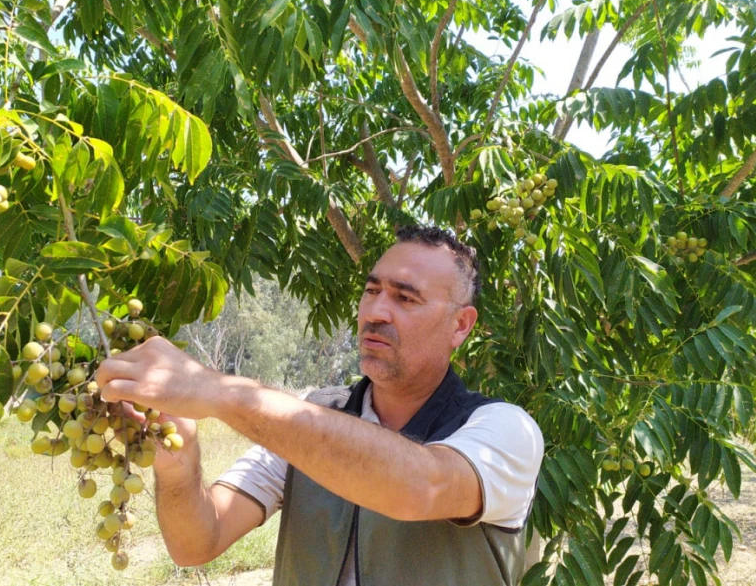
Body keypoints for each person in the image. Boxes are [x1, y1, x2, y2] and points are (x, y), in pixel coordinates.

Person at [96, 225, 545, 585]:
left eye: (405, 297)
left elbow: (420, 485)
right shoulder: (308, 417)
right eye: (372, 291)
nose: (376, 312)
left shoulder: (505, 430)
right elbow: (196, 543)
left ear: (461, 325)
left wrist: (220, 391)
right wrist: (178, 462)